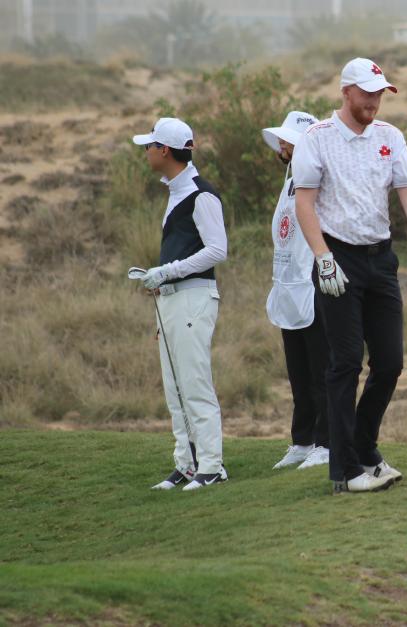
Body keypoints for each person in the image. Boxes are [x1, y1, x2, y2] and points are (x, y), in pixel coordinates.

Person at [292, 58, 407, 494]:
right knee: (345, 364)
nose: (375, 100)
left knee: (390, 362)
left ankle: (363, 445)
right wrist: (322, 257)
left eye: (380, 93)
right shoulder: (316, 139)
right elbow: (305, 203)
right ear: (347, 92)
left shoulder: (390, 137)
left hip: (380, 260)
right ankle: (346, 469)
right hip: (338, 258)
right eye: (368, 92)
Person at [131, 117, 228, 491]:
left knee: (194, 383)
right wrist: (160, 280)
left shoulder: (201, 194)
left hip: (194, 297)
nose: (146, 152)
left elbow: (217, 249)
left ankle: (212, 466)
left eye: (150, 146)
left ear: (165, 151)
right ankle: (187, 464)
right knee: (175, 388)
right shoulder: (176, 191)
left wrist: (166, 271)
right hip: (173, 300)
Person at [262, 111, 332, 471]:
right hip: (288, 285)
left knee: (322, 369)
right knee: (298, 372)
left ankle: (327, 442)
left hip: (313, 283)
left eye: (289, 140)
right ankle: (302, 440)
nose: (282, 145)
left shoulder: (319, 176)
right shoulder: (290, 178)